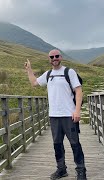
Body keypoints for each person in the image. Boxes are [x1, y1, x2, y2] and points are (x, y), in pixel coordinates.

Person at [24, 49, 87, 180]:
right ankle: (61, 169)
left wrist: (77, 110)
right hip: (54, 116)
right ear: (49, 59)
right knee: (57, 144)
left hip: (69, 115)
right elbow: (34, 83)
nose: (54, 58)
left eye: (56, 56)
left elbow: (79, 90)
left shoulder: (69, 72)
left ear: (61, 57)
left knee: (75, 143)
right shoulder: (48, 74)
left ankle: (81, 171)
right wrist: (29, 69)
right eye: (52, 57)